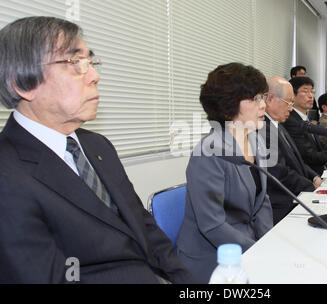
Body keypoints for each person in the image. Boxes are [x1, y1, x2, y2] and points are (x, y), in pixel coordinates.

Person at [0, 16, 193, 284]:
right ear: (23, 83)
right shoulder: (7, 174)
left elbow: (145, 229)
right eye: (74, 63)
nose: (94, 76)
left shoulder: (97, 145)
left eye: (90, 62)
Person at [175, 62, 273, 284]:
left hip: (249, 248)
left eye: (262, 97)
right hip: (212, 262)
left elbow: (262, 201)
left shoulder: (255, 141)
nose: (263, 105)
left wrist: (270, 243)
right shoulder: (208, 154)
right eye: (255, 98)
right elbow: (212, 225)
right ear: (229, 106)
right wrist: (259, 251)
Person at [261, 76, 321, 225]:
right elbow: (278, 171)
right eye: (288, 102)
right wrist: (310, 188)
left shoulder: (278, 124)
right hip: (282, 207)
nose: (290, 108)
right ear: (270, 99)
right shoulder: (262, 129)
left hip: (297, 197)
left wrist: (314, 177)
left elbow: (296, 160)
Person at [283, 77, 327, 176]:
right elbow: (309, 156)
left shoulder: (305, 119)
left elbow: (320, 147)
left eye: (312, 91)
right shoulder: (291, 121)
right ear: (292, 96)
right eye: (305, 91)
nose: (310, 96)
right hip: (311, 177)